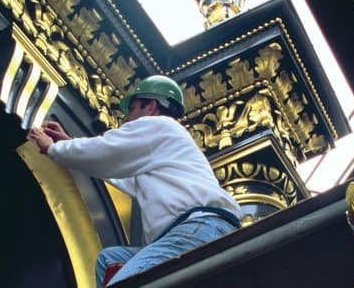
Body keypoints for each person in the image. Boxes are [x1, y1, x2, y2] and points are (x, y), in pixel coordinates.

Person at [28, 75, 241, 287]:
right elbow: (112, 168)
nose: (126, 119)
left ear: (150, 106)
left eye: (132, 109)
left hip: (196, 228)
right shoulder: (160, 147)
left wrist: (53, 148)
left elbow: (105, 151)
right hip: (197, 230)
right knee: (110, 259)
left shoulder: (158, 125)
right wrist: (70, 144)